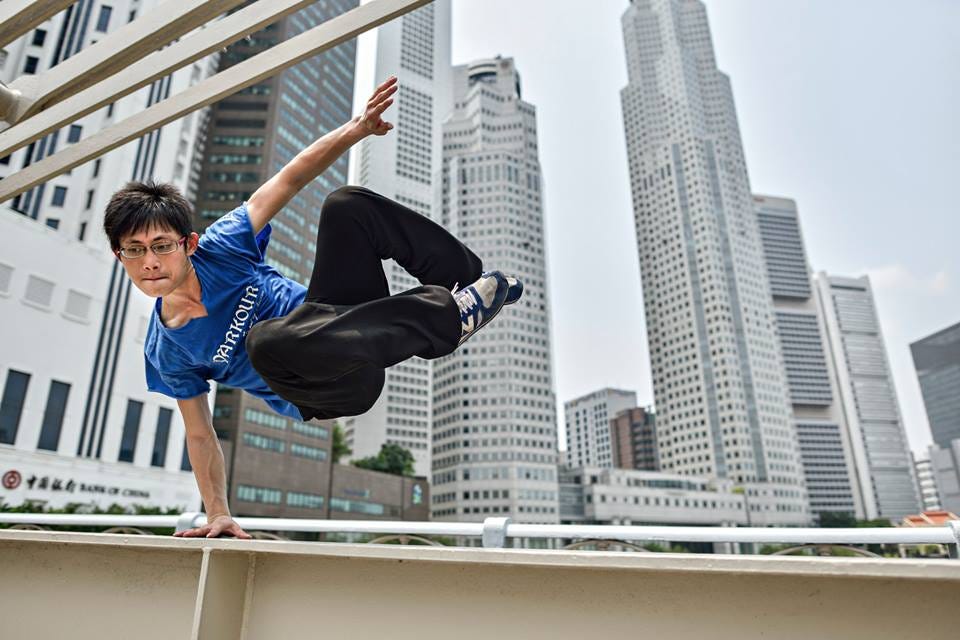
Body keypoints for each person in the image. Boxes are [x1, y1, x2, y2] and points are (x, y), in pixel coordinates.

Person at [102, 77, 522, 539]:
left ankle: (470, 287)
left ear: (189, 244)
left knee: (346, 205)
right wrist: (217, 512)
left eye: (162, 245)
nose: (150, 262)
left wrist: (357, 129)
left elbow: (290, 178)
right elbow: (200, 434)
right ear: (121, 257)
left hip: (343, 321)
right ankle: (447, 317)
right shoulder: (169, 350)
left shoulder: (221, 248)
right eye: (134, 251)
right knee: (265, 341)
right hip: (325, 390)